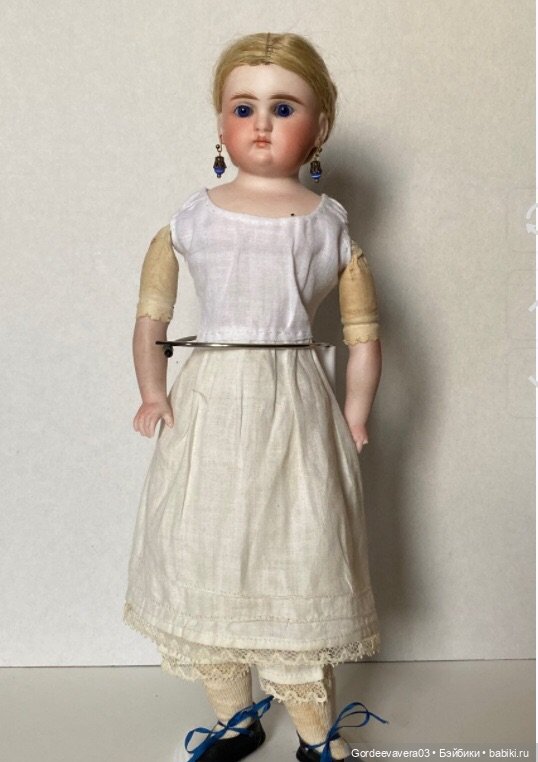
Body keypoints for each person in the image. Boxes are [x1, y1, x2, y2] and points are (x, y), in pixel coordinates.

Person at [122, 32, 388, 762]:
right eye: (243, 107)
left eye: (283, 107)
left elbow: (364, 334)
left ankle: (315, 733)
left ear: (319, 127)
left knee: (299, 548)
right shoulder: (190, 220)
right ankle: (236, 717)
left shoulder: (329, 225)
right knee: (205, 546)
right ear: (220, 122)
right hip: (208, 404)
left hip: (296, 404)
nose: (262, 123)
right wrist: (152, 392)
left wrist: (356, 414)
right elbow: (151, 317)